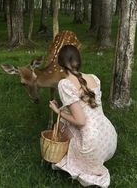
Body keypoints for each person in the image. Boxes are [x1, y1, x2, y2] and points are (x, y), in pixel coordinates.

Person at [49, 45, 117, 188]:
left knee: (61, 121)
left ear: (60, 64)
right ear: (79, 61)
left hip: (90, 146)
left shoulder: (65, 84)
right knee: (66, 113)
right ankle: (93, 157)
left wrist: (57, 112)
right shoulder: (94, 78)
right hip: (109, 138)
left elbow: (80, 121)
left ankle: (79, 158)